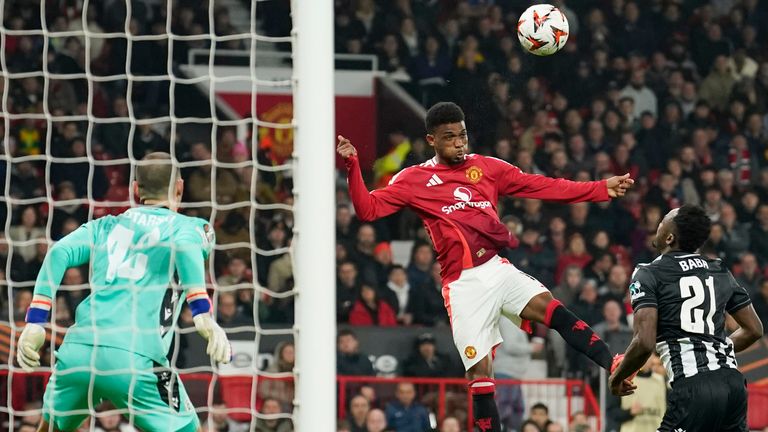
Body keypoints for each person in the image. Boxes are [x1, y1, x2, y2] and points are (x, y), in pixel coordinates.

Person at [338, 102, 634, 430]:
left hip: (496, 268)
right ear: (431, 140)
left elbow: (543, 186)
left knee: (553, 310)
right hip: (462, 286)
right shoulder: (414, 179)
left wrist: (599, 189)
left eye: (462, 135)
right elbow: (368, 210)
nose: (459, 143)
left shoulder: (487, 168)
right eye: (449, 137)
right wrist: (353, 166)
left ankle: (613, 363)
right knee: (480, 377)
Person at [15, 152, 232, 432]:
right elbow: (186, 248)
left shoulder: (104, 225)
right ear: (179, 187)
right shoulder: (190, 227)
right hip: (136, 358)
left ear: (135, 189)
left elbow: (58, 252)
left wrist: (35, 321)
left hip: (79, 352)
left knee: (50, 429)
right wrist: (202, 314)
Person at [610, 205, 764, 431]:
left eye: (663, 221)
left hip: (693, 387)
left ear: (670, 237)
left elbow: (644, 343)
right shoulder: (718, 269)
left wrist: (616, 378)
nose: (658, 225)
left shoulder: (648, 273)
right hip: (733, 385)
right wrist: (715, 350)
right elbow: (754, 330)